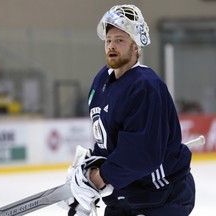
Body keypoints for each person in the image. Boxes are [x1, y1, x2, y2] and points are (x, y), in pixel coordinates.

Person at [66, 4, 195, 216]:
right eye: (108, 41)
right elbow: (107, 139)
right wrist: (89, 167)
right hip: (126, 194)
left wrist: (98, 178)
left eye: (120, 40)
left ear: (135, 46)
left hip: (161, 195)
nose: (111, 46)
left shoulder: (145, 86)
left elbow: (142, 153)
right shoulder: (101, 81)